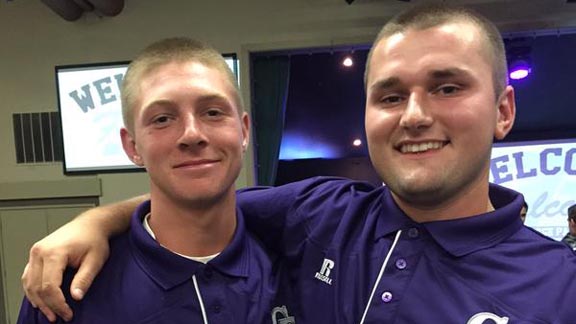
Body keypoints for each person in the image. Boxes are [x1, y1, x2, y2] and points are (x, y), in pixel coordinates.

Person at [22, 4, 576, 323]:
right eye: (388, 96)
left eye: (447, 87)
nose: (413, 116)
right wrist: (95, 220)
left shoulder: (560, 284)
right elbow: (194, 199)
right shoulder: (319, 213)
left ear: (503, 110)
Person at [17, 37, 292, 324]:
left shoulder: (303, 265)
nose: (192, 134)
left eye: (212, 112)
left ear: (244, 131)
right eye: (162, 119)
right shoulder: (63, 290)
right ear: (132, 146)